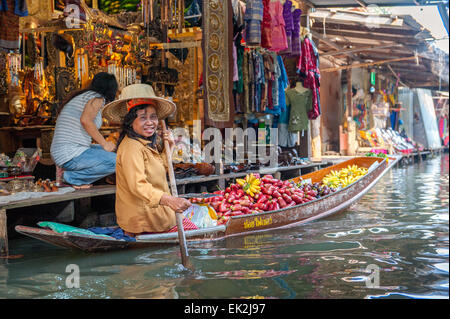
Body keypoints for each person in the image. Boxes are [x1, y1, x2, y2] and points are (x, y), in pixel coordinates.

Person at [102, 84, 193, 235]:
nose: (150, 122)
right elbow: (138, 186)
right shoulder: (132, 147)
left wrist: (169, 146)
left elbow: (160, 169)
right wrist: (170, 200)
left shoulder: (145, 142)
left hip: (160, 214)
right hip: (146, 221)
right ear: (131, 122)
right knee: (197, 239)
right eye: (143, 118)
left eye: (153, 117)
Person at [50, 72, 118, 189]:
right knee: (117, 161)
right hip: (69, 153)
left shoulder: (86, 96)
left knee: (112, 152)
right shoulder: (97, 98)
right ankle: (71, 178)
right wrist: (104, 143)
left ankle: (71, 176)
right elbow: (86, 121)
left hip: (66, 151)